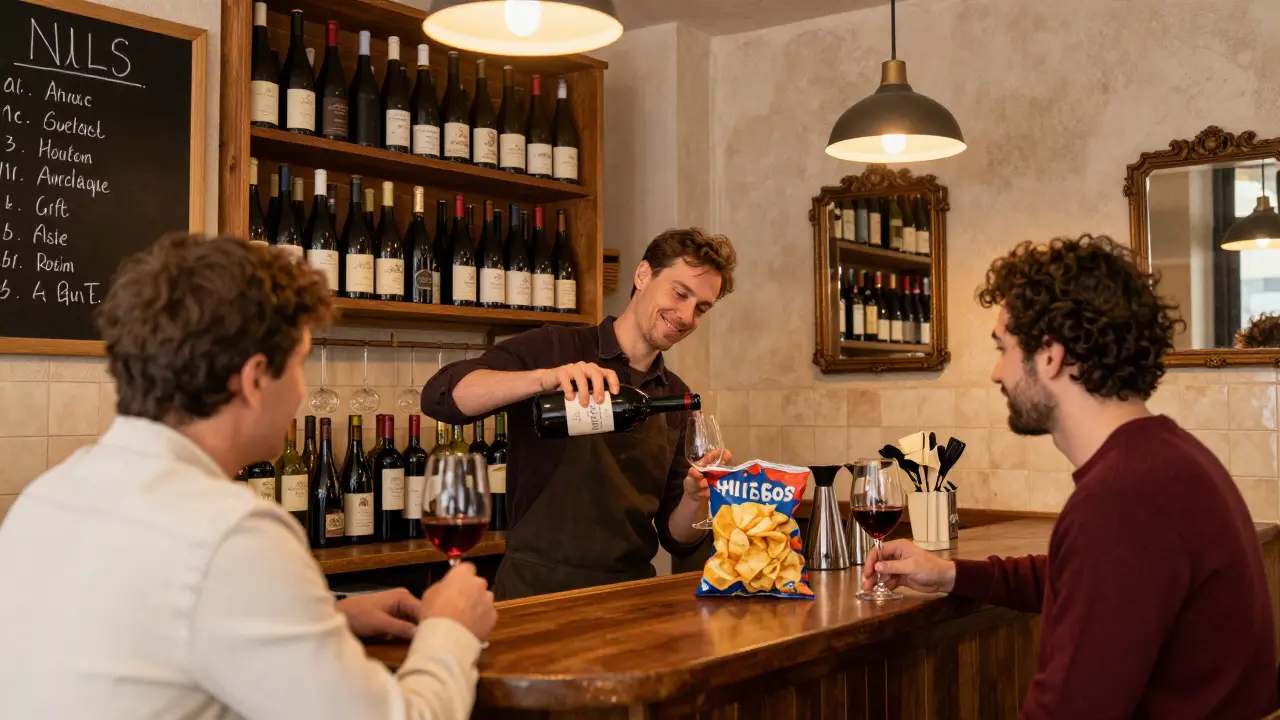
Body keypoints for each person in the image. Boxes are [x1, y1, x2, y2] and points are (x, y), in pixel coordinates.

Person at [0, 234, 497, 719]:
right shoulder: (231, 532)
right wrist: (451, 628)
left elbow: (146, 639)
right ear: (254, 379)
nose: (302, 392)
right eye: (300, 365)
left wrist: (324, 622)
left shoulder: (50, 495)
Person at [863, 234, 1277, 719]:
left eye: (1004, 348)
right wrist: (949, 574)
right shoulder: (1167, 457)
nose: (997, 373)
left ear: (1050, 355)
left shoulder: (1121, 500)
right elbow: (1080, 583)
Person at [422, 228, 737, 600]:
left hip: (631, 598)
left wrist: (694, 497)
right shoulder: (556, 347)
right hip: (534, 594)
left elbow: (678, 539)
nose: (686, 316)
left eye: (701, 308)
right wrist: (543, 379)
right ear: (642, 275)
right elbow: (440, 396)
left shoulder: (676, 397)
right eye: (680, 293)